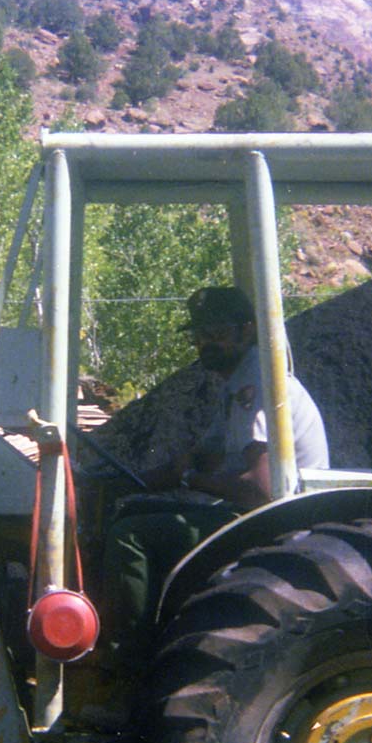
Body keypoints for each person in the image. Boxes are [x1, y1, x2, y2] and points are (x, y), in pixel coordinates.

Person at [99, 286, 328, 670]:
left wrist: (190, 477)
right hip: (261, 515)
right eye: (199, 335)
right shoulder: (237, 383)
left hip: (281, 522)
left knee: (131, 536)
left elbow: (260, 490)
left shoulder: (258, 383)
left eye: (217, 332)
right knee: (133, 511)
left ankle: (130, 662)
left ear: (247, 330)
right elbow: (201, 458)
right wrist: (124, 482)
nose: (206, 343)